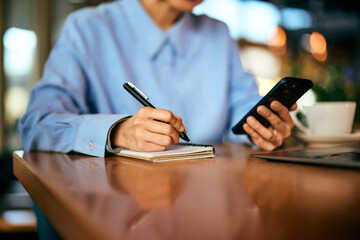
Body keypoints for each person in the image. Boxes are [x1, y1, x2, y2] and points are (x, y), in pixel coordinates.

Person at [18, 0, 296, 159]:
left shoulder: (219, 35)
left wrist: (264, 128)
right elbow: (36, 124)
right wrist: (117, 132)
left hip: (209, 201)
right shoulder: (86, 29)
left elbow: (245, 110)